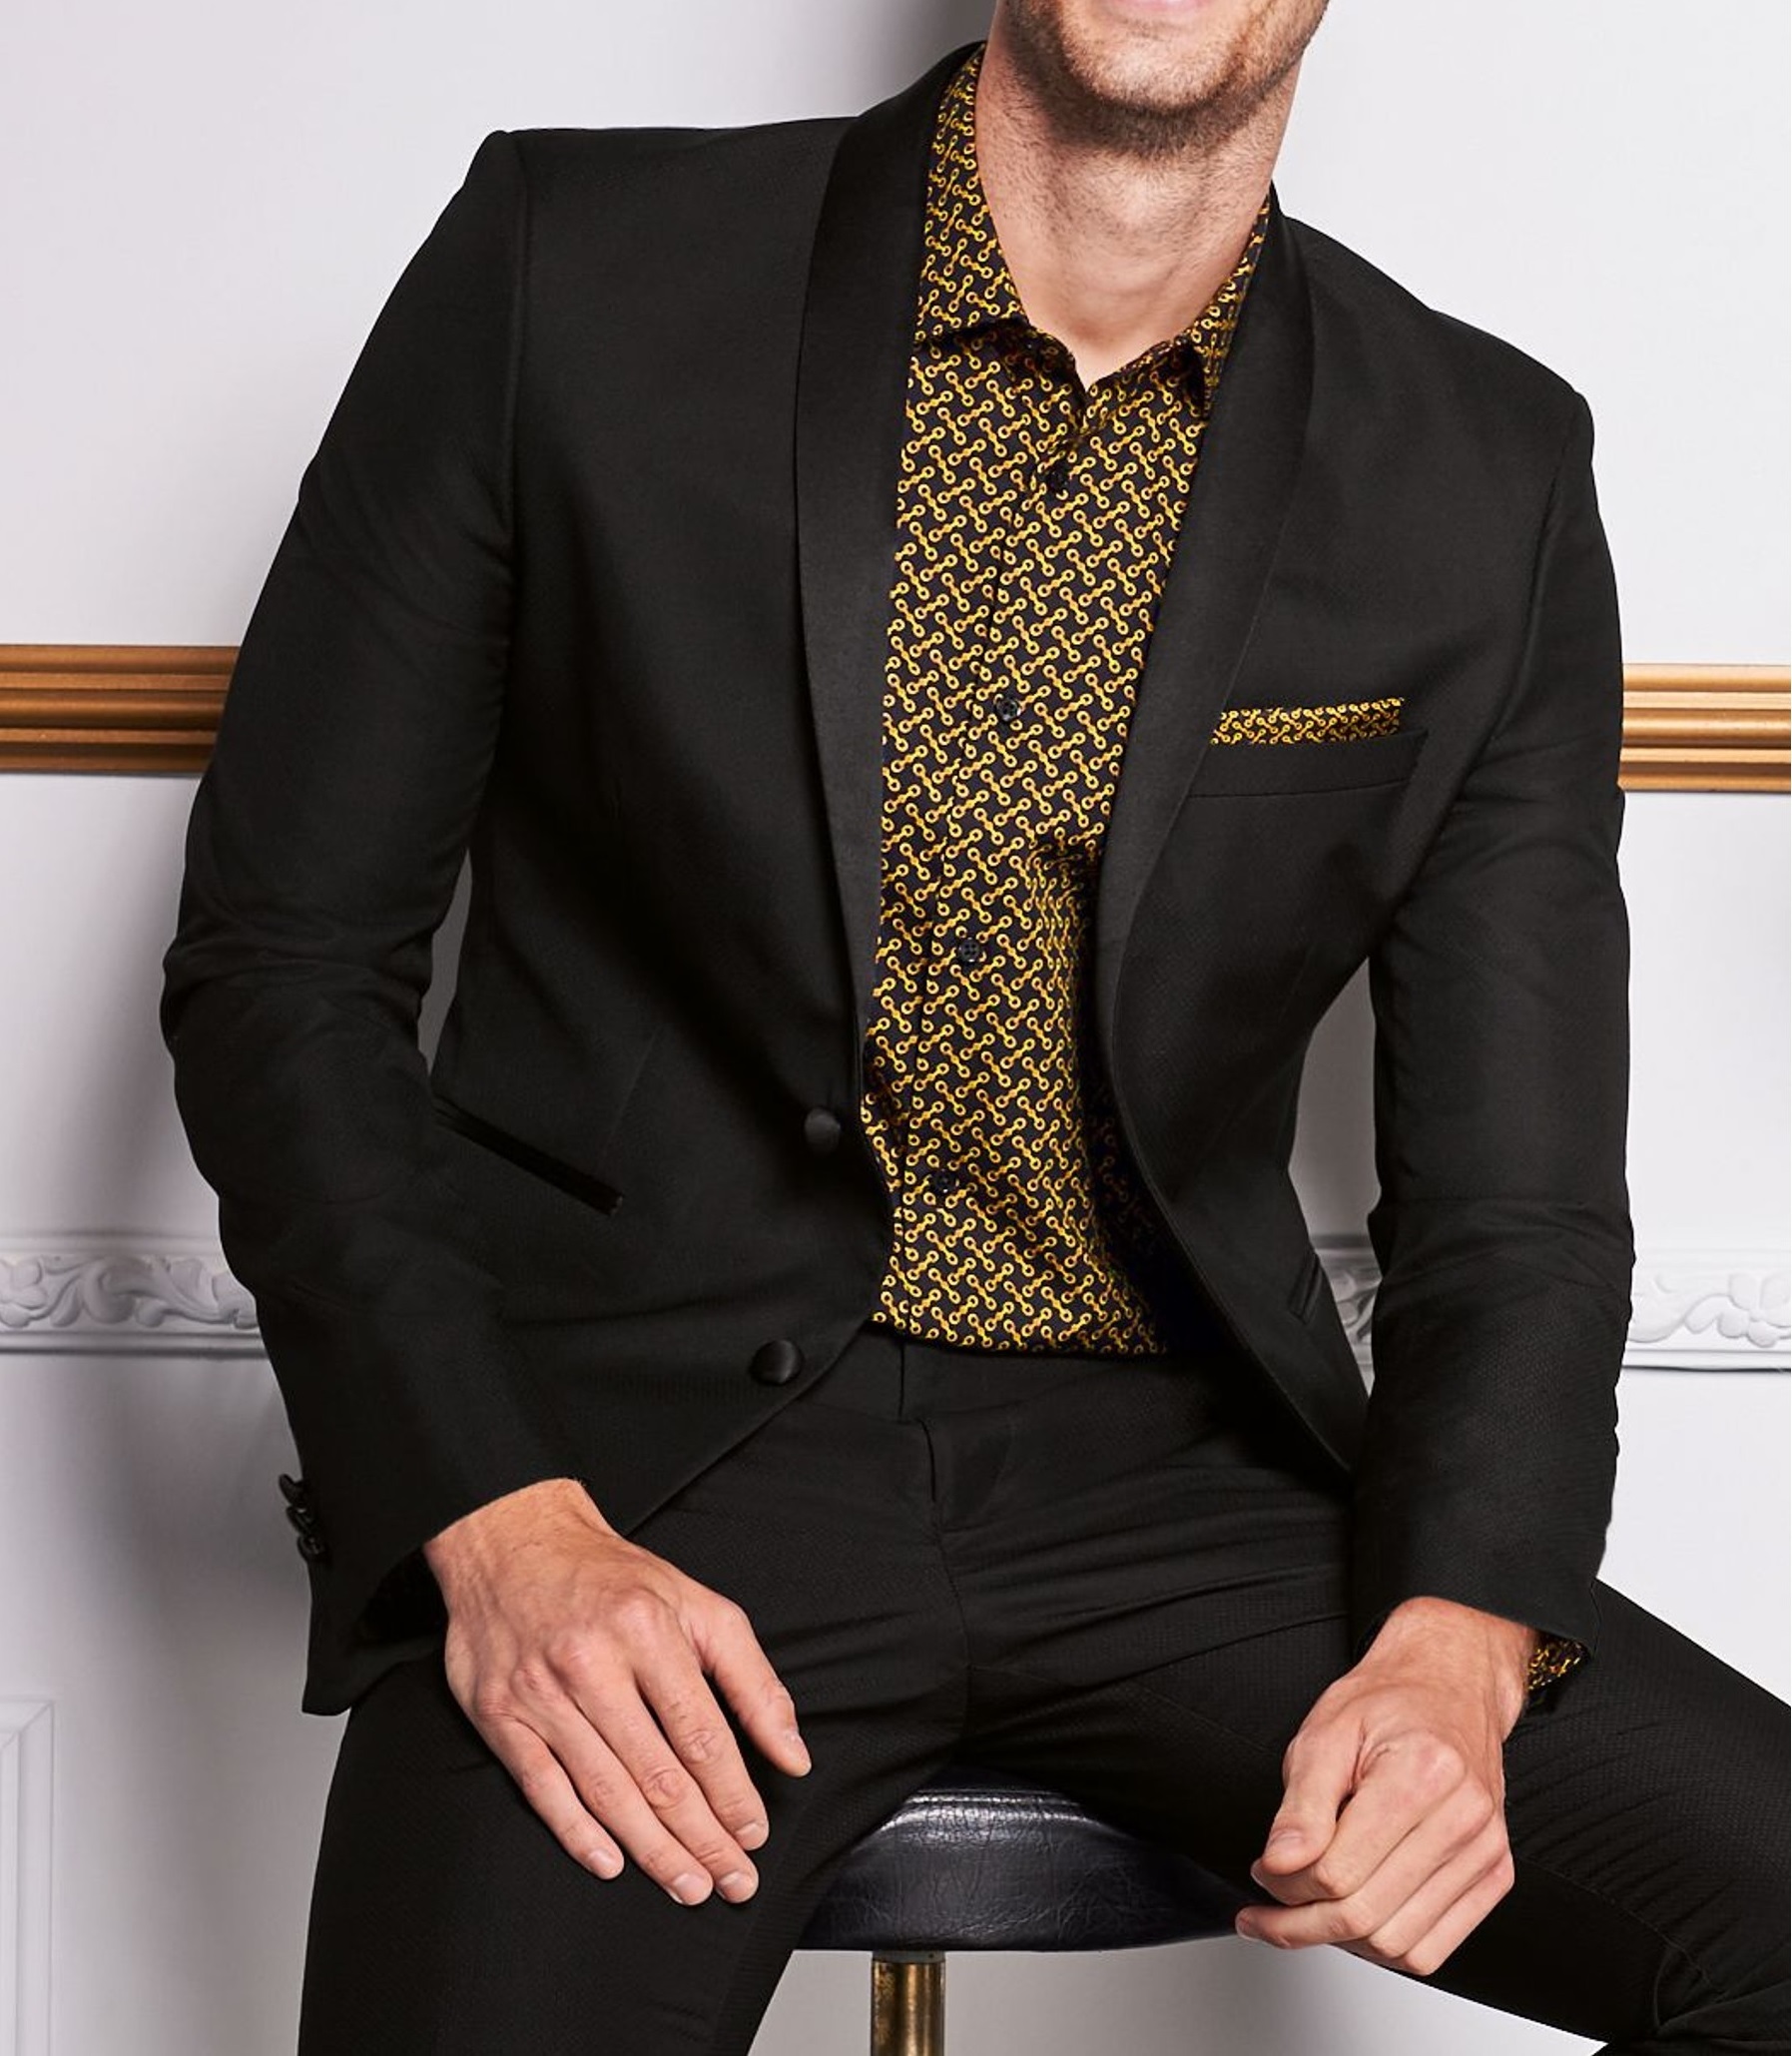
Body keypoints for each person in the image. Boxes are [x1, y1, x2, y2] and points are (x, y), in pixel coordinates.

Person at [159, 3, 1789, 2050]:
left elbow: (1515, 1200)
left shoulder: (1484, 463)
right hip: (641, 1460)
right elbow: (284, 969)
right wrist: (491, 1520)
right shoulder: (567, 270)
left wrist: (1460, 1636)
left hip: (1179, 1481)